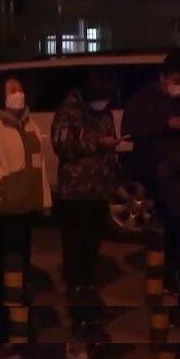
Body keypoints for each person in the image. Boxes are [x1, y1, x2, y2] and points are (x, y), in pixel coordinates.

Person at [0, 76, 51, 340]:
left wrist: (43, 199)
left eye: (20, 88)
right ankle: (2, 325)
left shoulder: (30, 124)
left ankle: (19, 321)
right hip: (2, 211)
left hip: (25, 208)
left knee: (20, 267)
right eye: (12, 89)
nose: (19, 93)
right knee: (0, 268)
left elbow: (38, 165)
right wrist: (2, 183)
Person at [122, 49, 180, 330]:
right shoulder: (144, 100)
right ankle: (171, 302)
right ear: (163, 77)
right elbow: (132, 131)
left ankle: (179, 299)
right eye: (177, 80)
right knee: (168, 244)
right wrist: (164, 126)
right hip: (158, 184)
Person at [51, 72, 119, 342]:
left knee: (92, 243)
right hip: (75, 191)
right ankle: (75, 288)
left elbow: (110, 143)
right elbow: (61, 145)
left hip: (98, 190)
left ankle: (88, 285)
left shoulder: (105, 114)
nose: (104, 103)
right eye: (100, 98)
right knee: (75, 243)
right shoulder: (68, 113)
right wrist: (96, 143)